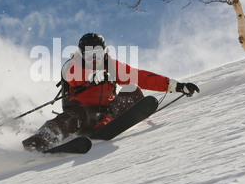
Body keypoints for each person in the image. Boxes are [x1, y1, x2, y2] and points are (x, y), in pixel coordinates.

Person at [22, 33, 199, 152]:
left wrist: (176, 86)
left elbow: (141, 76)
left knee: (133, 89)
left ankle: (108, 122)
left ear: (104, 52)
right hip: (83, 115)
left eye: (98, 53)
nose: (93, 58)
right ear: (81, 54)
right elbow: (71, 75)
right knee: (75, 116)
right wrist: (92, 76)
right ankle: (40, 141)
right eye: (89, 54)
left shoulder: (112, 66)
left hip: (109, 113)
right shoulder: (73, 65)